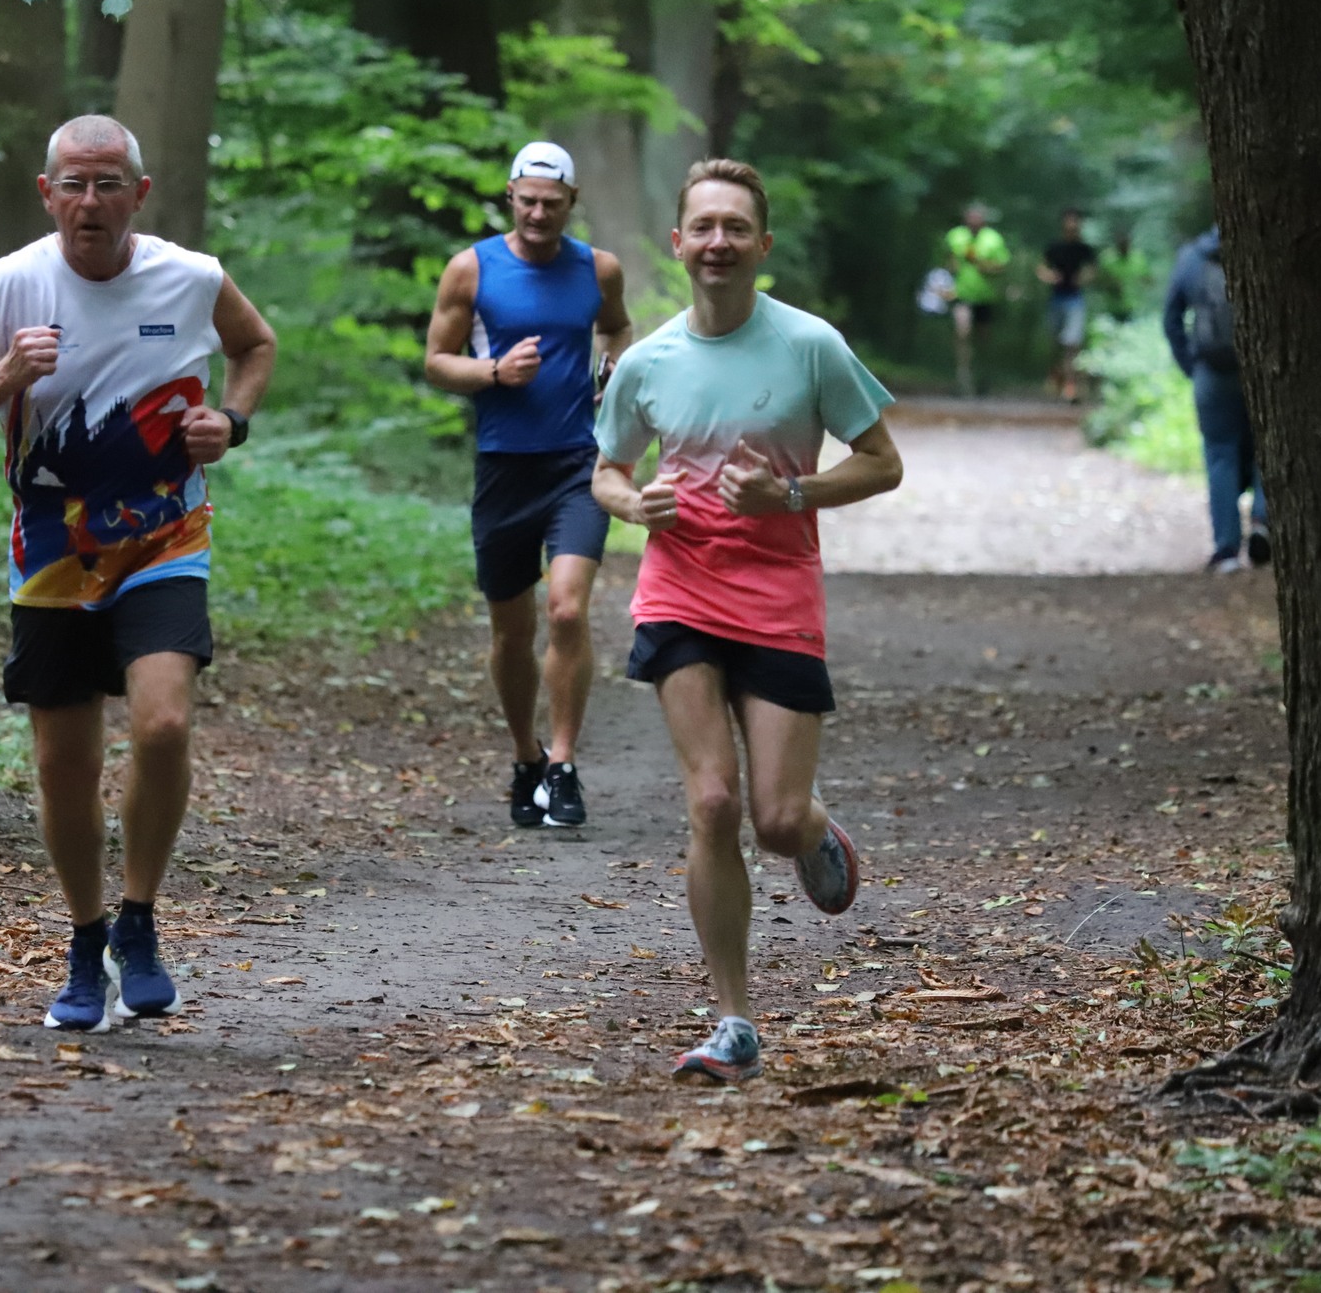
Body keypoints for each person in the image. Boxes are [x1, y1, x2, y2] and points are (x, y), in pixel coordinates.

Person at [0, 115, 277, 1030]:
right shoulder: (9, 285)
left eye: (108, 183)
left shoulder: (190, 277)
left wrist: (230, 423)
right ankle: (84, 942)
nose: (89, 201)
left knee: (161, 724)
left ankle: (141, 919)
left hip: (165, 538)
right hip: (53, 554)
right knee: (64, 763)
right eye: (72, 184)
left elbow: (256, 344)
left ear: (138, 195)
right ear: (47, 194)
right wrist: (3, 374)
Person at [592, 159, 903, 1083]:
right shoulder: (647, 361)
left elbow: (883, 461)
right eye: (704, 227)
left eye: (737, 228)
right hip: (680, 593)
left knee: (768, 817)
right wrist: (629, 506)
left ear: (761, 246)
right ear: (679, 244)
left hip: (777, 596)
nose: (719, 242)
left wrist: (790, 492)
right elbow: (605, 468)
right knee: (713, 802)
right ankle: (733, 1019)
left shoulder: (810, 346)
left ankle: (811, 831)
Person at [424, 141, 633, 829]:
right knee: (513, 629)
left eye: (552, 201)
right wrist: (491, 374)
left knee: (569, 611)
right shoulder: (472, 269)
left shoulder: (598, 269)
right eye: (528, 199)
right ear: (511, 197)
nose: (539, 211)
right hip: (504, 467)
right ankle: (526, 754)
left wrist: (614, 375)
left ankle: (564, 763)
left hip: (578, 463)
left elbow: (618, 328)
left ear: (571, 202)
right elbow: (436, 362)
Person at [1163, 225, 1268, 573]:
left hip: (1212, 370)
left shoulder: (1193, 257)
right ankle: (1263, 523)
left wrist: (1191, 365)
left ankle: (1226, 550)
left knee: (1220, 454)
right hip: (1261, 369)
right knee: (1266, 450)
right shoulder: (1263, 247)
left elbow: (1171, 318)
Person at [943, 203, 1009, 395]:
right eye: (970, 217)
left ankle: (984, 377)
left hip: (985, 297)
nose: (973, 221)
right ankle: (963, 379)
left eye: (977, 218)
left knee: (983, 339)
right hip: (961, 295)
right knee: (962, 334)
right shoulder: (955, 236)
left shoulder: (993, 239)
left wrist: (983, 265)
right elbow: (948, 261)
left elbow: (1001, 266)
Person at [1035, 207, 1097, 403]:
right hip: (1056, 298)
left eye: (1075, 221)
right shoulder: (1055, 247)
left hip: (1075, 299)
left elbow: (1093, 270)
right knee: (1055, 343)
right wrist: (1050, 277)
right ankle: (1056, 377)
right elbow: (1041, 267)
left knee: (1072, 343)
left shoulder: (1084, 249)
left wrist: (1084, 278)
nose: (1072, 225)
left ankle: (1071, 384)